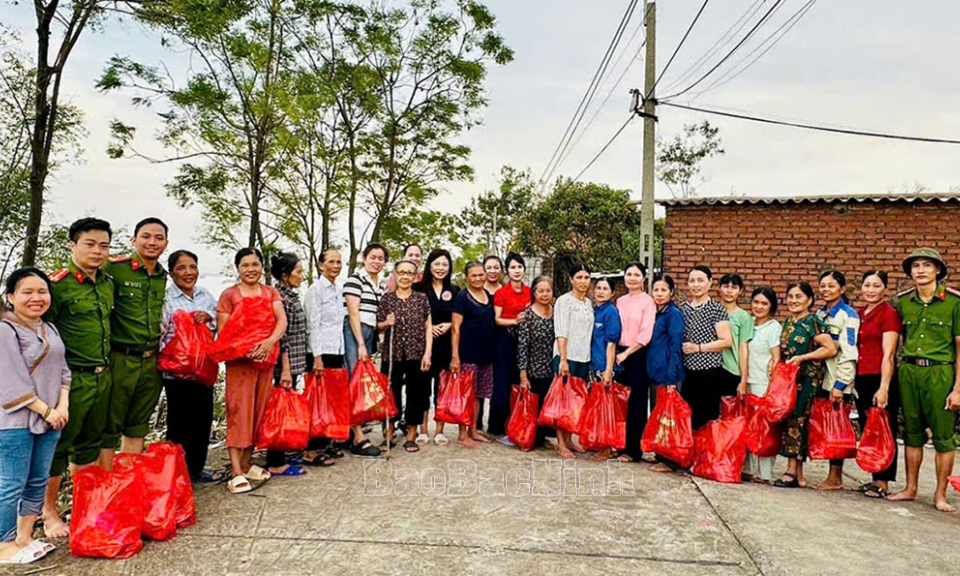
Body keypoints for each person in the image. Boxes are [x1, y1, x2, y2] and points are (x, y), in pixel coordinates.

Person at [42, 217, 115, 539]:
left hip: (103, 376)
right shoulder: (56, 286)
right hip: (70, 381)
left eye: (104, 245)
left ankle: (84, 505)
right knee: (58, 447)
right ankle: (48, 511)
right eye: (90, 244)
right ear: (72, 245)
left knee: (89, 445)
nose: (97, 251)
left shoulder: (107, 283)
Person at [0, 269, 69, 563]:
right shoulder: (6, 330)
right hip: (16, 420)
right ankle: (3, 545)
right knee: (11, 482)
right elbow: (11, 381)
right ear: (12, 297)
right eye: (27, 292)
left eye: (42, 291)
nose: (36, 298)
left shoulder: (50, 329)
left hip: (52, 417)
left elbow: (64, 372)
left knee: (37, 480)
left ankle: (25, 537)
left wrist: (62, 407)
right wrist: (47, 411)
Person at [888, 248, 960, 512]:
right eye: (915, 266)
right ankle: (910, 488)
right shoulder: (904, 302)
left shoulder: (954, 303)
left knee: (943, 436)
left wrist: (958, 389)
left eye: (927, 265)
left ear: (938, 270)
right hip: (909, 371)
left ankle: (940, 494)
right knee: (912, 432)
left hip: (940, 372)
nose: (920, 270)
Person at [217, 248, 287, 494]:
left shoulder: (270, 292)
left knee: (258, 413)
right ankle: (235, 472)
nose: (250, 269)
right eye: (245, 265)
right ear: (238, 268)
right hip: (240, 364)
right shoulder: (229, 295)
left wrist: (268, 343)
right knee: (239, 413)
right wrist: (245, 350)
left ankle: (246, 465)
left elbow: (282, 320)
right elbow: (224, 333)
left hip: (265, 361)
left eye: (255, 264)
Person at [102, 217, 169, 463]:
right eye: (146, 236)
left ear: (166, 243)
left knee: (137, 425)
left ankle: (128, 484)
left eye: (159, 238)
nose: (152, 242)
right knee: (109, 426)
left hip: (151, 361)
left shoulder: (163, 276)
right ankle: (106, 486)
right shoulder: (114, 268)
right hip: (120, 359)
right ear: (134, 239)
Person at [159, 250, 222, 482]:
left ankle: (196, 469)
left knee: (203, 421)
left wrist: (208, 317)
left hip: (203, 369)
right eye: (181, 268)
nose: (188, 272)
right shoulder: (167, 299)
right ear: (172, 272)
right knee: (178, 424)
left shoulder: (205, 295)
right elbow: (161, 332)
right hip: (177, 373)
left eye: (192, 267)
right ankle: (175, 474)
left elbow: (218, 321)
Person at [774, 282, 837, 489]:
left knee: (798, 421)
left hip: (808, 380)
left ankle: (791, 471)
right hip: (790, 379)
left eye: (798, 297)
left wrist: (804, 357)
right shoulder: (789, 322)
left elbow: (830, 348)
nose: (793, 301)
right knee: (790, 419)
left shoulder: (813, 322)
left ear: (809, 300)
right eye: (790, 297)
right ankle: (798, 474)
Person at [854, 270, 901, 499]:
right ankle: (874, 477)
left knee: (885, 428)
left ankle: (883, 481)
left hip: (881, 376)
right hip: (861, 376)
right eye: (867, 285)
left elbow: (889, 354)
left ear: (885, 289)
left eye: (876, 285)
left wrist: (884, 387)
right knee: (868, 428)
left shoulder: (888, 314)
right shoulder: (860, 314)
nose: (871, 290)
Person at [377, 260, 432, 453]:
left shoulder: (421, 298)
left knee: (415, 393)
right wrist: (386, 323)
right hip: (391, 355)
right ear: (395, 274)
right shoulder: (387, 299)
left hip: (416, 353)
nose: (405, 276)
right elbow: (378, 326)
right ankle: (389, 433)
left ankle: (411, 434)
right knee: (391, 394)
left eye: (409, 273)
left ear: (415, 276)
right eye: (401, 272)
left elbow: (428, 327)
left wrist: (427, 353)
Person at [265, 253, 312, 476]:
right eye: (298, 272)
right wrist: (285, 368)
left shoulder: (290, 295)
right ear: (285, 275)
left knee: (283, 409)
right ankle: (275, 460)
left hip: (293, 361)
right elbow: (281, 335)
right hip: (284, 364)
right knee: (278, 411)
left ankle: (282, 452)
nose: (301, 276)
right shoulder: (279, 297)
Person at [813, 270, 860, 492]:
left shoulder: (848, 316)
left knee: (837, 429)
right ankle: (831, 475)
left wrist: (841, 384)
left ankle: (835, 477)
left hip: (837, 380)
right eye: (823, 286)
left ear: (842, 289)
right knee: (827, 427)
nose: (826, 290)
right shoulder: (820, 314)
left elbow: (849, 352)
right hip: (821, 379)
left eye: (831, 286)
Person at [342, 243, 388, 457]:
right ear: (364, 258)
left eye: (381, 258)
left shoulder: (379, 284)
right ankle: (358, 436)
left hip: (369, 331)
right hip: (354, 332)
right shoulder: (355, 279)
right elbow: (353, 314)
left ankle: (352, 431)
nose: (376, 261)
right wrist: (360, 343)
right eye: (373, 257)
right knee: (355, 381)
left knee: (362, 382)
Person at [303, 248, 347, 462]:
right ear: (321, 265)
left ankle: (326, 443)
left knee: (331, 402)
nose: (336, 266)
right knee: (317, 403)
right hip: (321, 352)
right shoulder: (316, 290)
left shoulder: (337, 290)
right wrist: (317, 357)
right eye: (331, 261)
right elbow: (312, 325)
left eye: (339, 262)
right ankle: (312, 450)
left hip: (337, 349)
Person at [413, 249, 460, 446]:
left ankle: (440, 430)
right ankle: (422, 429)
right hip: (424, 347)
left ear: (449, 268)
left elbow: (459, 317)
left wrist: (449, 325)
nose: (440, 268)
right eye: (437, 264)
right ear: (429, 265)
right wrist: (427, 327)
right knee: (422, 388)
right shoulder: (418, 288)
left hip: (446, 346)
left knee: (442, 389)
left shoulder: (456, 291)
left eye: (444, 265)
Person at [680, 266, 733, 430]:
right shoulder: (684, 309)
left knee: (706, 419)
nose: (696, 285)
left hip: (709, 372)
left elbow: (726, 341)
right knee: (688, 417)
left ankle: (705, 455)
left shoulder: (716, 309)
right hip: (687, 373)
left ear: (710, 283)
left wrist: (699, 348)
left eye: (701, 280)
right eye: (692, 280)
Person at [450, 261, 496, 447]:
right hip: (467, 353)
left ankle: (473, 429)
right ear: (467, 277)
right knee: (466, 395)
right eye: (474, 275)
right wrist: (455, 356)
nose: (478, 278)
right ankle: (462, 434)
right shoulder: (462, 297)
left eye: (480, 274)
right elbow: (455, 328)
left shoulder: (488, 295)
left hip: (486, 354)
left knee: (479, 394)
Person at [614, 262, 656, 463]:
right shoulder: (620, 301)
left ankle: (633, 450)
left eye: (636, 274)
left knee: (636, 403)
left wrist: (627, 353)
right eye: (628, 274)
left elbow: (646, 334)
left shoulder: (648, 302)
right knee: (619, 402)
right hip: (619, 353)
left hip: (638, 353)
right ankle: (619, 444)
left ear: (644, 279)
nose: (632, 278)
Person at [552, 263, 594, 459]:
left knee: (575, 402)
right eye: (579, 277)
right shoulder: (564, 301)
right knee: (562, 401)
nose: (583, 282)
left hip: (583, 357)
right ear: (571, 280)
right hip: (565, 357)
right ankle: (560, 443)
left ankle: (569, 439)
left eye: (586, 278)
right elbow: (560, 330)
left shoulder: (588, 303)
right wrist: (563, 359)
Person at [490, 252, 531, 443]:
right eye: (513, 267)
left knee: (520, 382)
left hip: (525, 342)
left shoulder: (530, 291)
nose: (517, 271)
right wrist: (515, 320)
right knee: (502, 384)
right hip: (504, 341)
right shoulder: (501, 293)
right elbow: (497, 319)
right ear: (507, 271)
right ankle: (498, 426)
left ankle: (520, 424)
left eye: (519, 267)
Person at [742, 287, 782, 484]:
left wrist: (771, 387)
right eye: (756, 302)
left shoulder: (773, 328)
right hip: (746, 382)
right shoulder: (748, 323)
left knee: (764, 429)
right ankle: (747, 469)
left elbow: (776, 358)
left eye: (764, 303)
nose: (759, 307)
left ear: (771, 306)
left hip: (763, 384)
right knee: (748, 427)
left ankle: (765, 473)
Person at [645, 274, 685, 463]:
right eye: (656, 290)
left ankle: (668, 460)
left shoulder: (673, 314)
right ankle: (660, 454)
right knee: (657, 416)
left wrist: (671, 379)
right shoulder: (655, 312)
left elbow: (675, 347)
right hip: (655, 373)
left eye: (663, 290)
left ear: (671, 293)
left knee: (668, 419)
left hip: (668, 375)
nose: (659, 294)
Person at [517, 276, 556, 451]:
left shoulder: (557, 313)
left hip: (551, 367)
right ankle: (528, 437)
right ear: (534, 293)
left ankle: (541, 438)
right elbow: (523, 346)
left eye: (548, 290)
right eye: (540, 291)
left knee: (546, 405)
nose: (544, 294)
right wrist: (523, 374)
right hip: (533, 367)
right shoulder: (527, 316)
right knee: (531, 405)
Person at [589, 277, 622, 460]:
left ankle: (607, 448)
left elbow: (611, 344)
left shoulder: (611, 312)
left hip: (604, 367)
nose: (601, 291)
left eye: (605, 289)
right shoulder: (594, 310)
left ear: (612, 294)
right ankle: (600, 443)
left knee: (606, 411)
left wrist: (608, 370)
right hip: (593, 365)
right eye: (598, 288)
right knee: (597, 408)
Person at [718, 274, 753, 399]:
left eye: (734, 287)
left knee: (729, 412)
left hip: (731, 370)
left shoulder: (743, 317)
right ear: (719, 288)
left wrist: (743, 379)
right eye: (726, 286)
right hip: (710, 367)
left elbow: (743, 348)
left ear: (740, 291)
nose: (729, 291)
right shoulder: (711, 311)